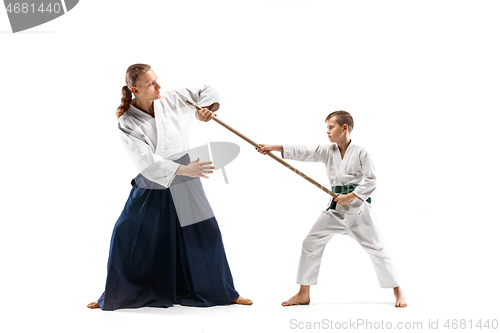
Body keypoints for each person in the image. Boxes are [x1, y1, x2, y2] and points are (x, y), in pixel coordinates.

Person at [87, 64, 252, 310]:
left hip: (185, 170)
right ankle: (117, 293)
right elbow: (144, 160)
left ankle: (223, 292)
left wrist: (205, 110)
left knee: (205, 230)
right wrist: (185, 171)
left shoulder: (174, 98)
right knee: (128, 231)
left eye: (157, 80)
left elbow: (208, 90)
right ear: (135, 89)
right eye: (151, 83)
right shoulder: (127, 120)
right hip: (156, 177)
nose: (158, 86)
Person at [257, 111, 407, 308]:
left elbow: (372, 180)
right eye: (327, 128)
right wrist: (274, 148)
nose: (327, 131)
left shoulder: (361, 152)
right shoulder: (328, 151)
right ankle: (303, 293)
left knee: (378, 249)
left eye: (331, 127)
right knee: (311, 242)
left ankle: (398, 291)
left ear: (344, 128)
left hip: (359, 212)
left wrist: (351, 196)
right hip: (335, 211)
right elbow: (305, 151)